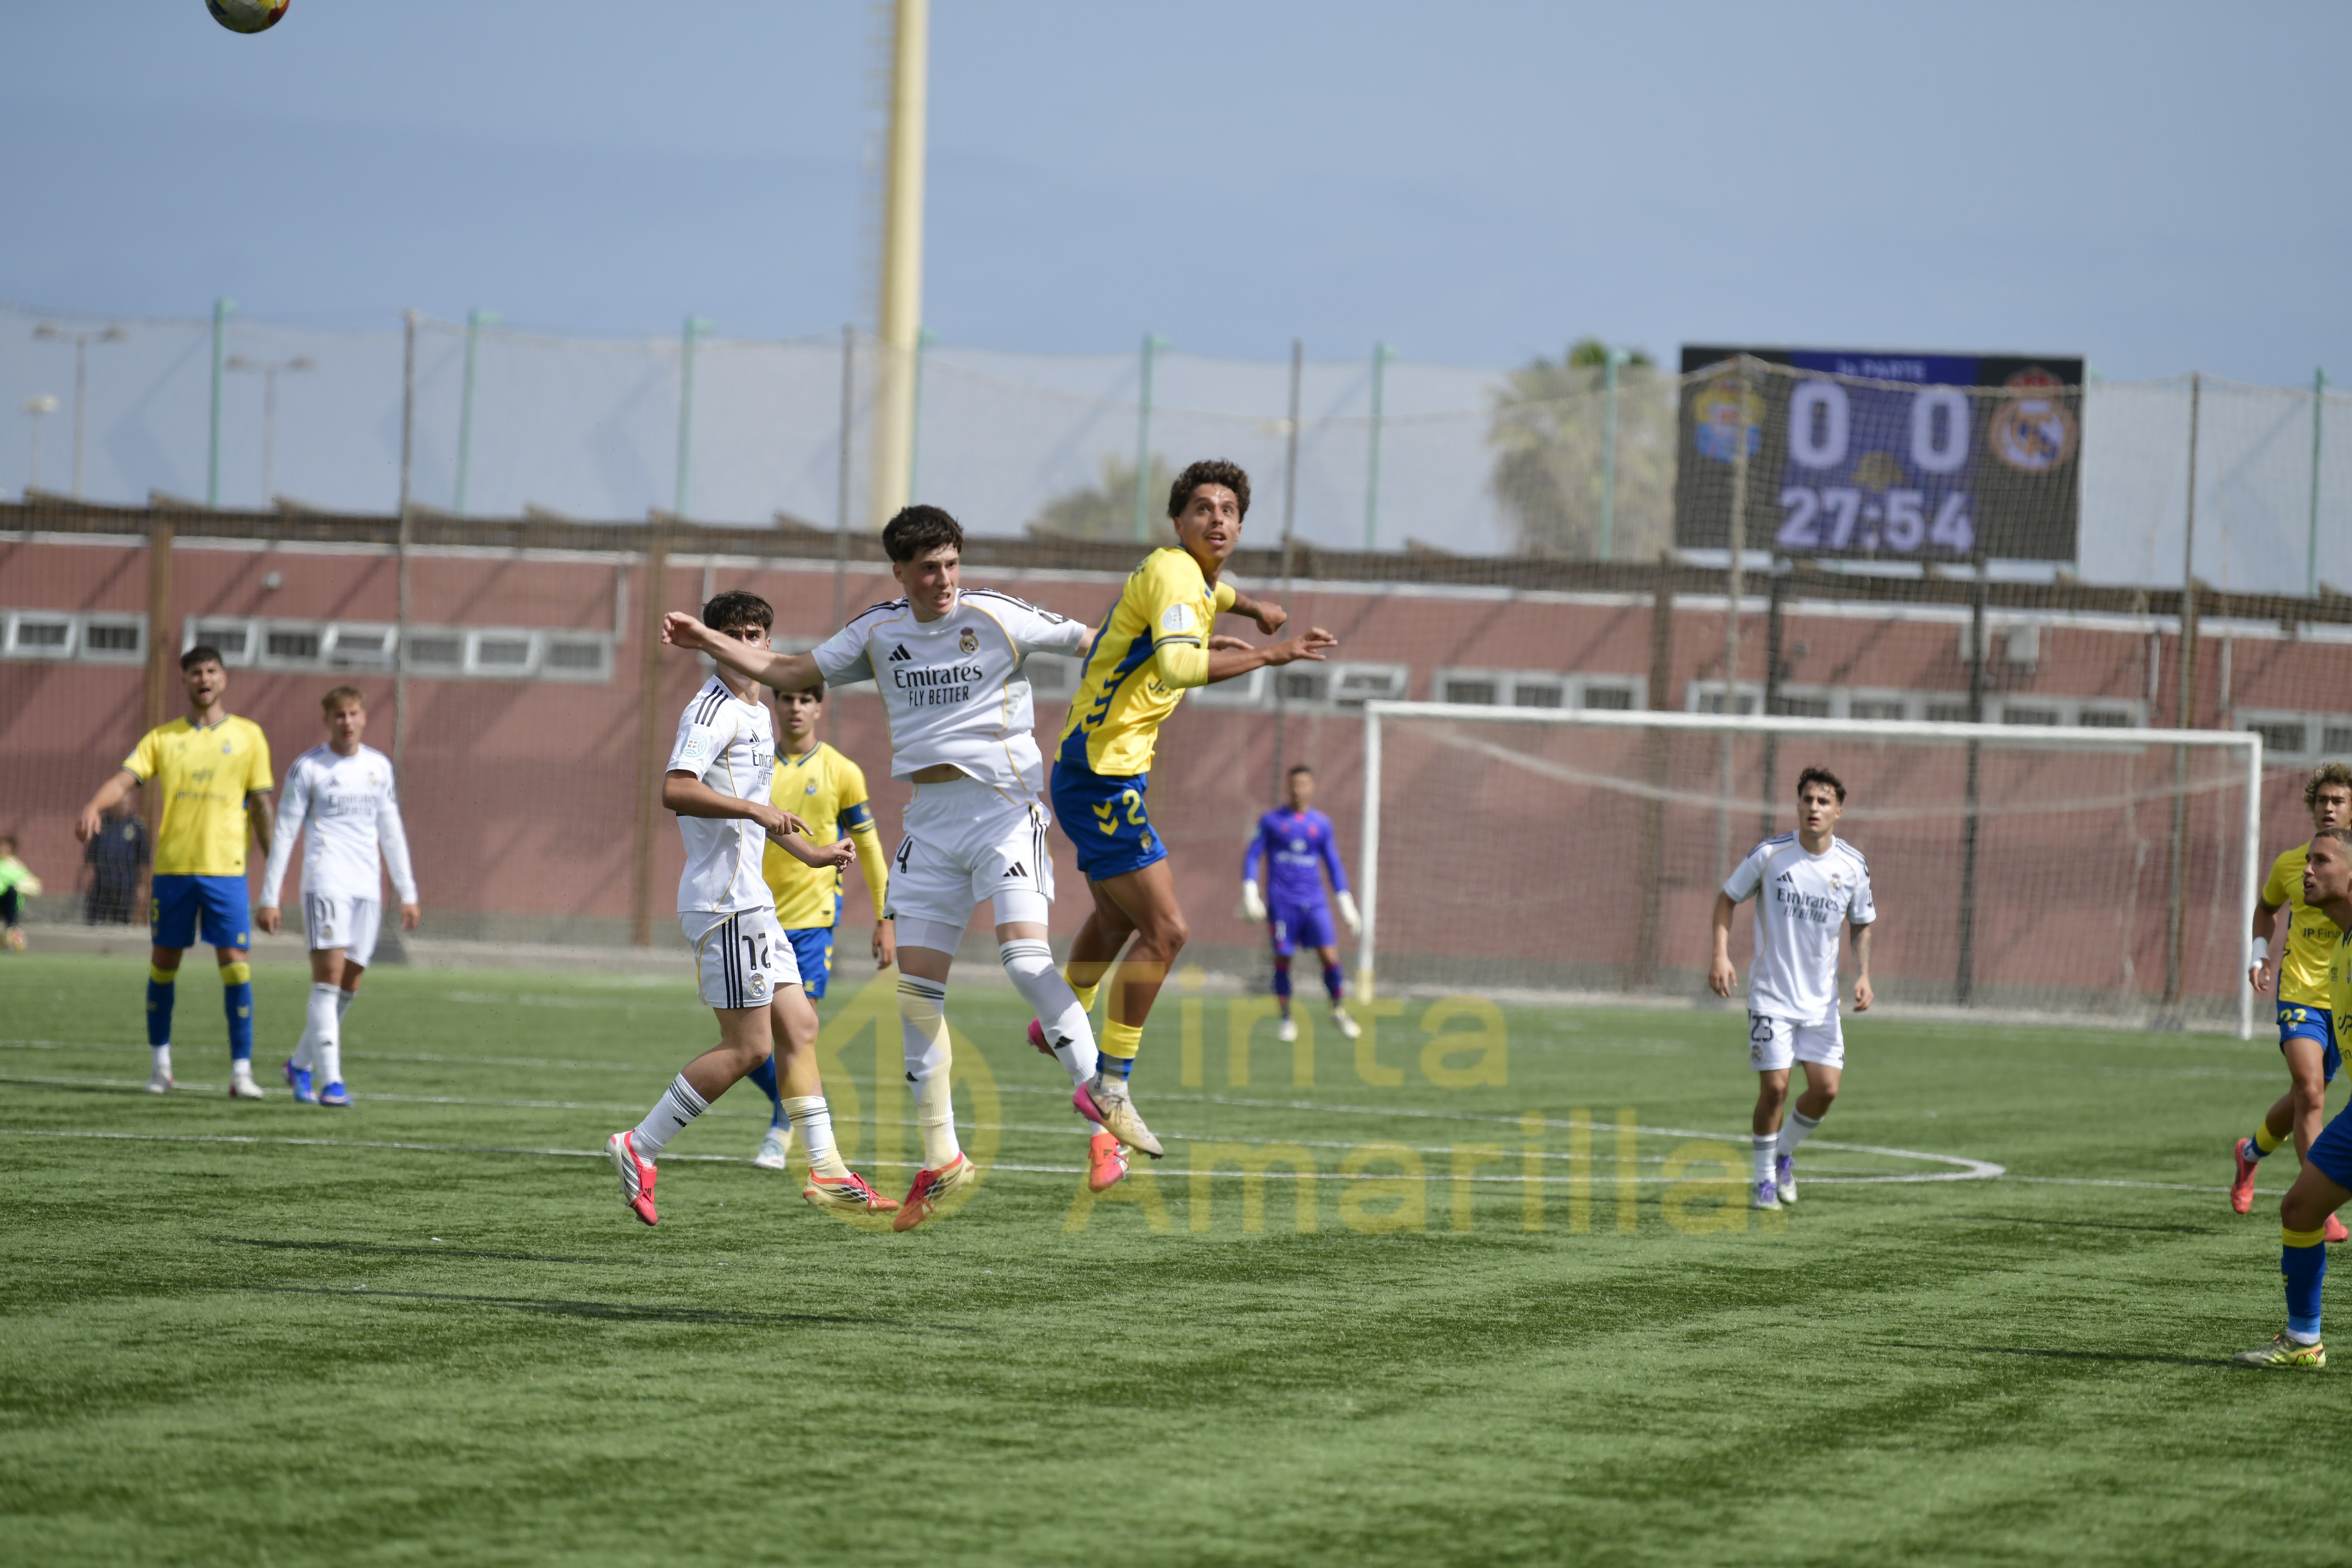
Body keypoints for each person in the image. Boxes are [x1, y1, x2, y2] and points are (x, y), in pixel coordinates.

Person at [664, 507, 1128, 1225]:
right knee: (911, 998)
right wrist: (705, 638)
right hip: (925, 829)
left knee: (1024, 960)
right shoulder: (876, 633)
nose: (944, 579)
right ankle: (941, 1158)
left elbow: (1100, 645)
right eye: (929, 568)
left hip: (1003, 813)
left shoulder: (997, 616)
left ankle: (1106, 1121)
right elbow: (789, 671)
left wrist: (1188, 654)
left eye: (951, 564)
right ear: (901, 573)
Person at [1044, 459, 1336, 1155]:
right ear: (1178, 522)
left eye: (1229, 510)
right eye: (1202, 508)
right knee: (1168, 931)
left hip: (1105, 772)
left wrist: (1252, 609)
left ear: (1240, 525)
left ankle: (1058, 1018)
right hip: (1100, 775)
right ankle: (1110, 1086)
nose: (1217, 519)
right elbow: (1179, 665)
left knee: (1119, 918)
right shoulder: (1176, 573)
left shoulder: (1195, 577)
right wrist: (1272, 653)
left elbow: (1215, 592)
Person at [608, 590, 894, 1226]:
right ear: (715, 643)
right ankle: (639, 1144)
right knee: (748, 1048)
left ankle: (826, 1169)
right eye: (734, 634)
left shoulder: (759, 710)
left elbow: (759, 811)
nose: (747, 644)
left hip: (753, 900)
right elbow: (675, 789)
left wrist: (812, 853)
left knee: (801, 1028)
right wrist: (755, 811)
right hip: (724, 904)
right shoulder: (711, 710)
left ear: (768, 642)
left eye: (756, 634)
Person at [75, 646, 275, 1098]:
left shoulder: (249, 736)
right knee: (164, 964)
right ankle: (160, 1067)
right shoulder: (163, 738)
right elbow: (124, 780)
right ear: (184, 680)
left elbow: (263, 807)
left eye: (211, 671)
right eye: (195, 672)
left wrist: (275, 874)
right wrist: (93, 806)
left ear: (224, 678)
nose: (204, 679)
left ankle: (242, 1072)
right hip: (174, 871)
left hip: (226, 872)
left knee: (236, 967)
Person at [1709, 766, 1876, 1212]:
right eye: (1807, 800)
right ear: (1798, 805)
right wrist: (1720, 955)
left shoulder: (1852, 866)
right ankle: (1764, 1180)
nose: (1814, 808)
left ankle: (1782, 1154)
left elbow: (1861, 923)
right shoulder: (1770, 855)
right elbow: (1727, 899)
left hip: (1822, 1004)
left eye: (1824, 801)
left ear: (1838, 811)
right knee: (1776, 1089)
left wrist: (1863, 974)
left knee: (1826, 1090)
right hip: (1772, 998)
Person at [745, 679, 893, 1171]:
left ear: (819, 708)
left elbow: (868, 846)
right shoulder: (755, 764)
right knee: (749, 1044)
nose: (795, 707)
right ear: (775, 704)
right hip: (753, 916)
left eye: (805, 699)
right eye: (787, 698)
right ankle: (790, 1106)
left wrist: (885, 916)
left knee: (797, 1034)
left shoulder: (841, 771)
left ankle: (782, 1131)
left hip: (811, 924)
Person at [255, 686, 420, 1108]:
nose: (348, 722)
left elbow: (391, 830)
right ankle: (332, 1083)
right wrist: (270, 895)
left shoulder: (379, 767)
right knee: (327, 980)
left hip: (368, 888)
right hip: (326, 882)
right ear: (327, 720)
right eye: (340, 715)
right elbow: (285, 832)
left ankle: (299, 1065)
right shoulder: (309, 768)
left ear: (364, 717)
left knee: (350, 983)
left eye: (354, 714)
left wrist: (407, 891)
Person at [2237, 825, 2352, 1369]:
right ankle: (2305, 1339)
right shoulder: (2340, 948)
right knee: (2300, 1209)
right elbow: (2265, 909)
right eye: (2308, 860)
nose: (2307, 870)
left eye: (2322, 862)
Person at [2234, 762, 2352, 1240]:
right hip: (2300, 992)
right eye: (2322, 800)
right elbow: (2266, 908)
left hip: (2342, 1000)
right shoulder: (2292, 864)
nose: (2329, 808)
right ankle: (2319, 1206)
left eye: (2338, 800)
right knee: (2311, 1091)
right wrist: (2259, 952)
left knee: (2306, 1095)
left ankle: (2250, 1153)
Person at [1240, 765, 1362, 1044]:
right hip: (1282, 904)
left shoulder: (1321, 824)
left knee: (1330, 957)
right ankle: (1286, 1019)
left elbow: (1333, 864)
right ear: (1287, 787)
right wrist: (1249, 890)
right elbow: (1253, 854)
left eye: (1303, 784)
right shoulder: (1271, 821)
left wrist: (1346, 902)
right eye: (1294, 784)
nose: (1298, 790)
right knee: (1283, 958)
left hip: (1315, 903)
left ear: (1312, 787)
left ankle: (1338, 1010)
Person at [79, 802, 148, 925]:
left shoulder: (137, 827)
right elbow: (89, 859)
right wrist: (81, 883)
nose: (123, 805)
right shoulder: (102, 824)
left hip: (125, 889)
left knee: (122, 927)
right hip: (101, 887)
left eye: (126, 801)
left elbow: (143, 861)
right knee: (94, 926)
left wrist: (142, 886)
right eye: (120, 801)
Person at [0, 835, 40, 951]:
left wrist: (21, 887)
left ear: (12, 849)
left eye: (5, 847)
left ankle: (12, 931)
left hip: (9, 903)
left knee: (11, 891)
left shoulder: (17, 867)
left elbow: (35, 887)